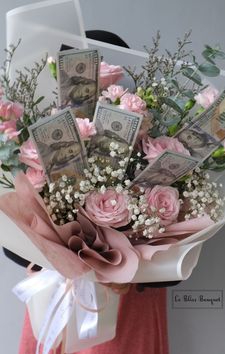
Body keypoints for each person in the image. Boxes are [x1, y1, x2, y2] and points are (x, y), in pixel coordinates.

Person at [6, 30, 178, 354]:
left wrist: (127, 271)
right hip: (56, 302)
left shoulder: (151, 150)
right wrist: (60, 258)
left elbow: (176, 264)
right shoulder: (37, 147)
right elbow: (13, 247)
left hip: (126, 308)